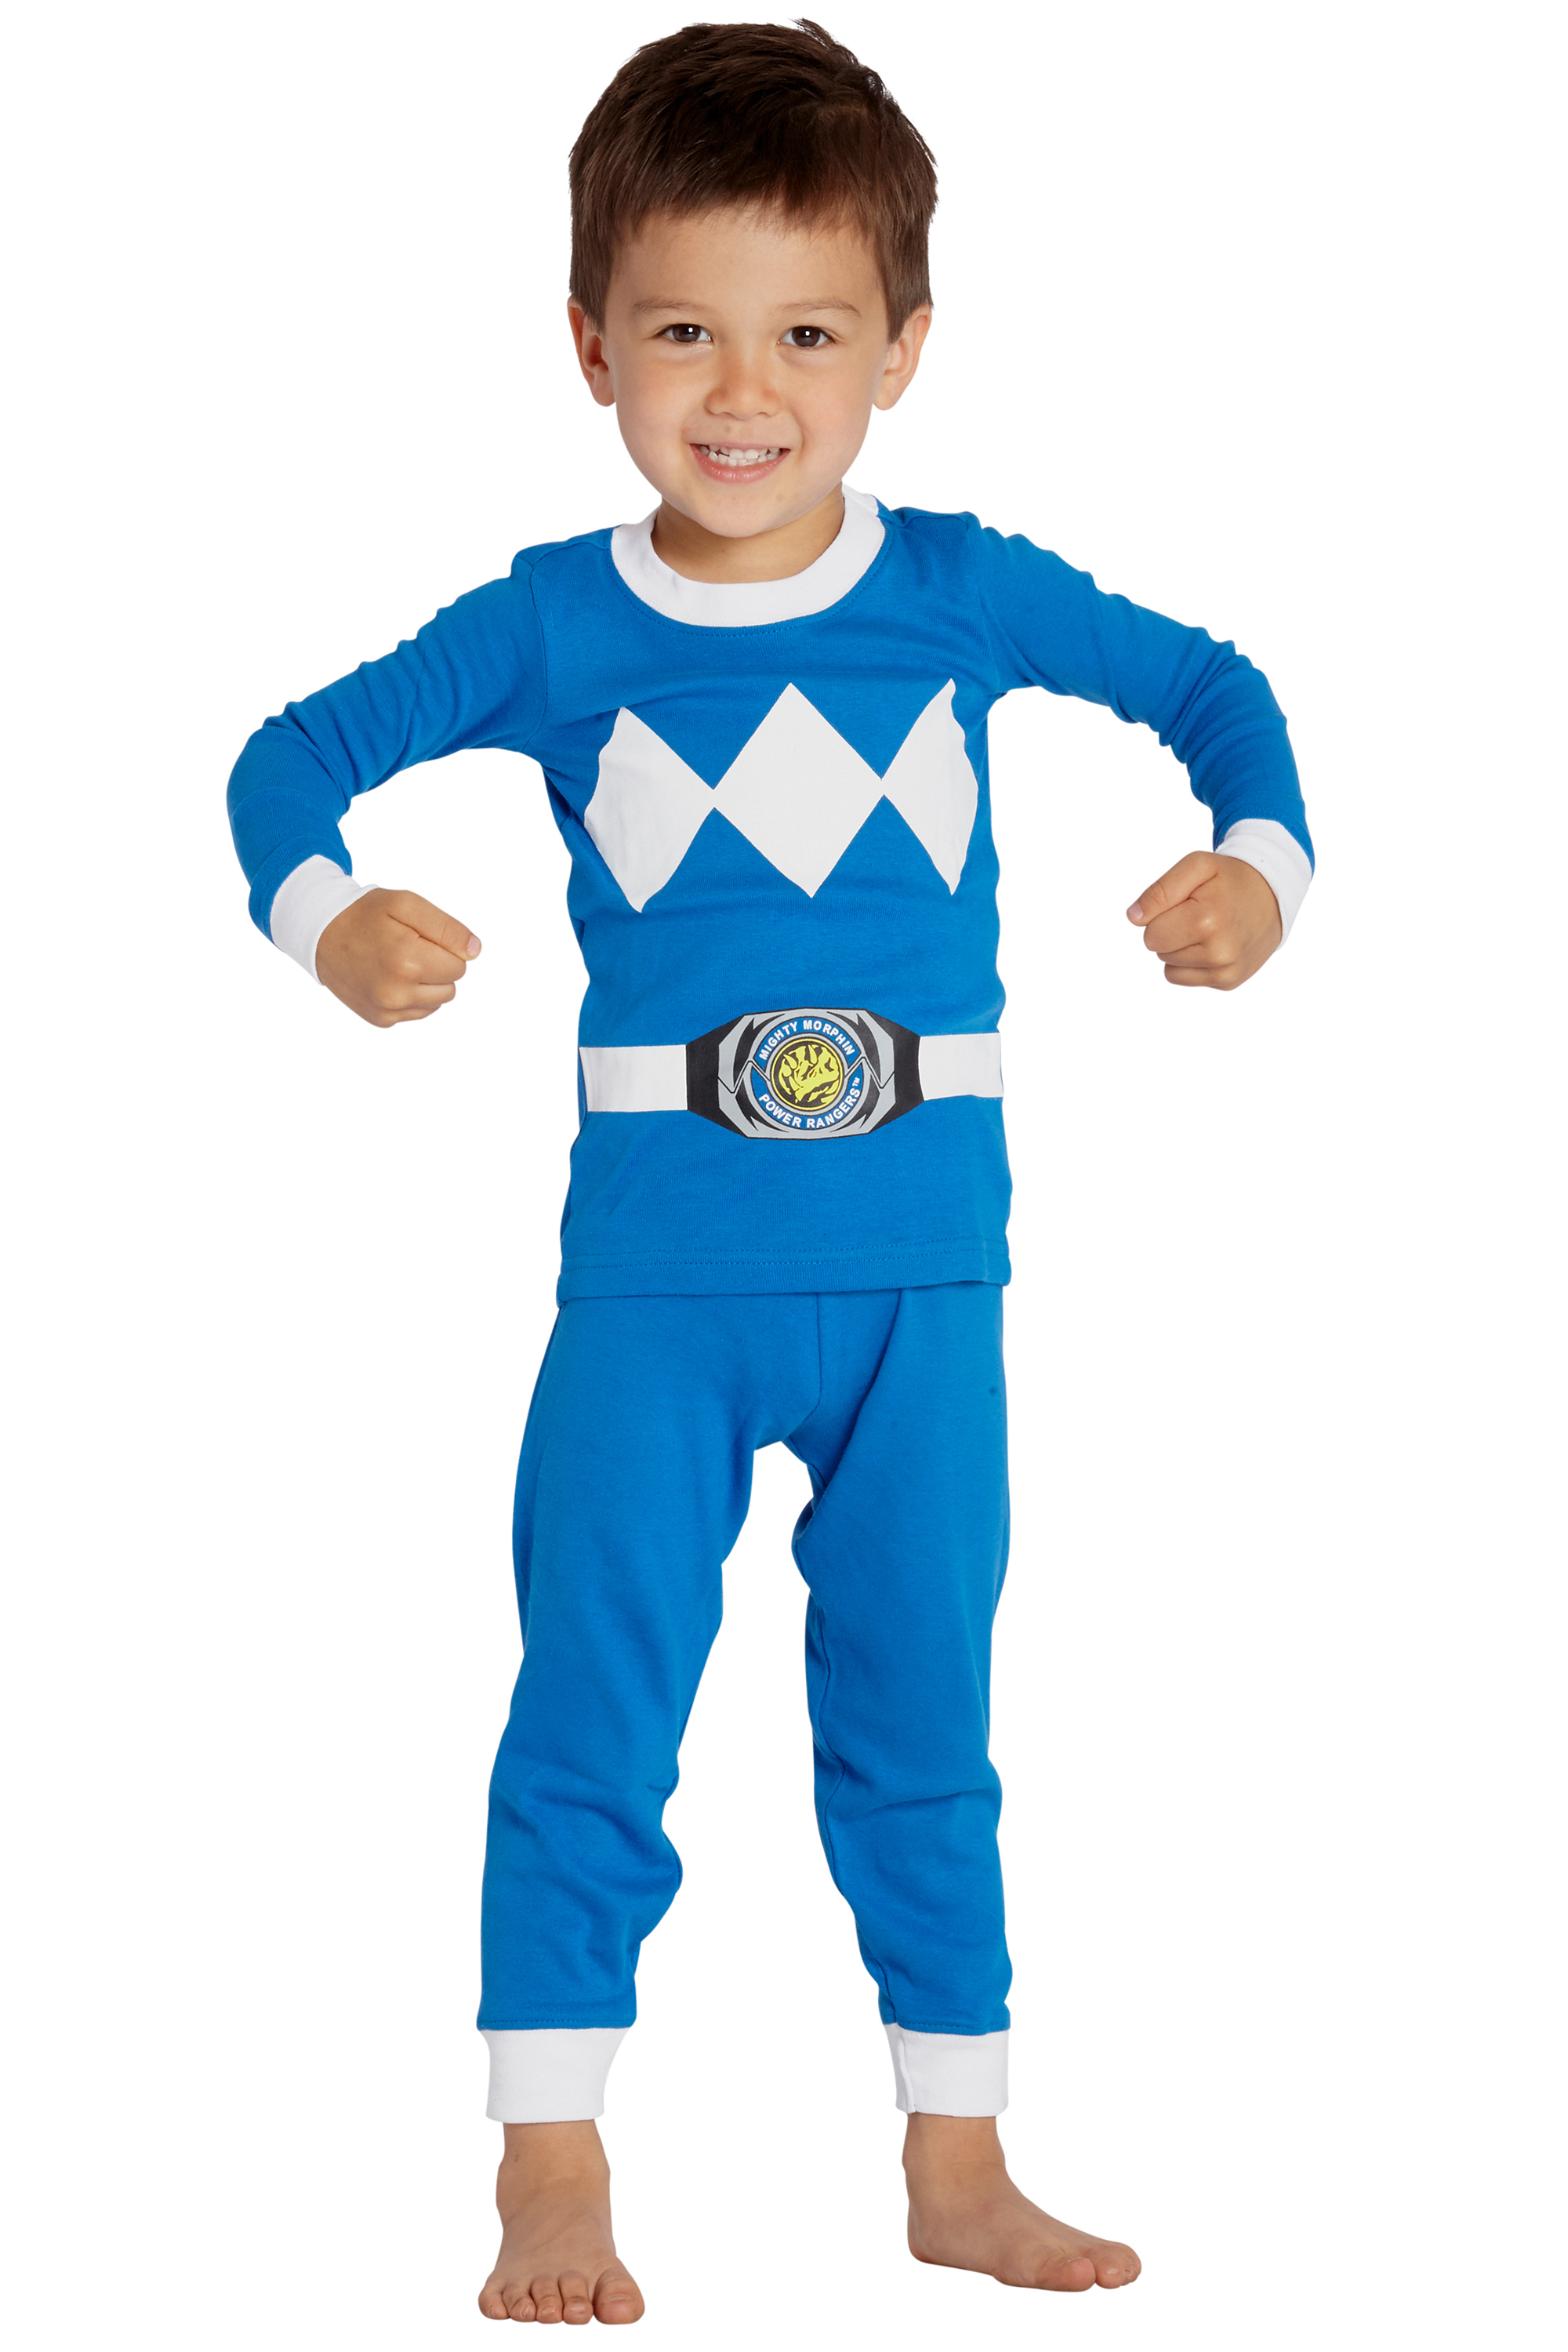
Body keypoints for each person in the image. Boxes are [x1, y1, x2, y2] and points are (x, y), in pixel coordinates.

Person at [227, 18, 1311, 2325]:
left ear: (904, 348)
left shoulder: (968, 591)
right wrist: (332, 921)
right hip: (658, 1291)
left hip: (929, 1279)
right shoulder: (553, 624)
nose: (744, 392)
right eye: (684, 333)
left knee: (925, 1723)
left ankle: (959, 2153)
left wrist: (1262, 864)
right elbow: (285, 761)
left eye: (809, 334)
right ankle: (548, 2162)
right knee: (592, 1712)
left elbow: (1216, 686)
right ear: (590, 344)